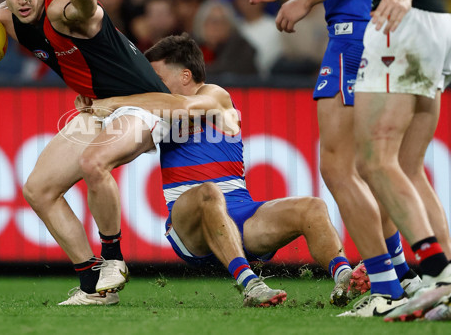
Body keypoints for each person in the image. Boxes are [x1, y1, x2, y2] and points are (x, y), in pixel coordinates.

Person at [0, 0, 171, 305]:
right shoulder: (8, 15)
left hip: (144, 103)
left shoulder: (59, 9)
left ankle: (113, 257)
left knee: (95, 163)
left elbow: (85, 13)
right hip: (99, 108)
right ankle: (93, 286)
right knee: (39, 189)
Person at [84, 33, 367, 307]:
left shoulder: (215, 95)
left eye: (158, 79)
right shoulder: (153, 112)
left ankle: (344, 278)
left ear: (185, 76)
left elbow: (185, 107)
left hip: (240, 214)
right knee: (208, 193)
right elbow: (124, 148)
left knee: (313, 207)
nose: (151, 85)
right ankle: (252, 286)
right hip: (189, 224)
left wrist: (111, 103)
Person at [242, 0, 422, 316]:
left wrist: (304, 1)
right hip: (381, 28)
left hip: (353, 32)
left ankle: (387, 287)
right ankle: (404, 275)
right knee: (374, 164)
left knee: (339, 168)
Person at [351, 0, 451, 320]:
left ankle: (437, 273)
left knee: (374, 160)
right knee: (408, 167)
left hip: (404, 22)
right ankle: (444, 286)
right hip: (435, 20)